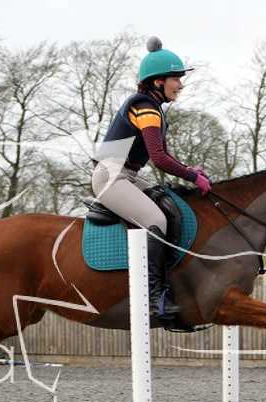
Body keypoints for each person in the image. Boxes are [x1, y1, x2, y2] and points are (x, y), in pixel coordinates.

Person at [92, 36, 211, 318]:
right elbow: (159, 159)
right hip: (111, 177)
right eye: (176, 79)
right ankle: (154, 297)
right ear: (158, 81)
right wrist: (192, 176)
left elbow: (163, 154)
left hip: (127, 175)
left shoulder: (152, 107)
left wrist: (191, 169)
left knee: (172, 203)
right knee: (156, 220)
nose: (181, 85)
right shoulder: (145, 107)